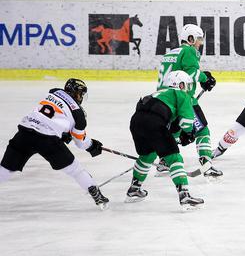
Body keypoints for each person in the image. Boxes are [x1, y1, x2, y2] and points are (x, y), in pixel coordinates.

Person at [0, 78, 108, 210]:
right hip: (47, 139)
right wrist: (92, 145)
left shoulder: (54, 91)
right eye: (81, 93)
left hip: (25, 131)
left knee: (6, 169)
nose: (81, 97)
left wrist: (63, 131)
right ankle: (96, 194)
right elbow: (81, 142)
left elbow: (51, 113)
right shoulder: (79, 114)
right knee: (75, 170)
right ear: (75, 92)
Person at [126, 70, 204, 210]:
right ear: (179, 85)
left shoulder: (159, 93)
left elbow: (170, 127)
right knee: (174, 159)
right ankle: (184, 195)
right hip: (154, 123)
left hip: (136, 121)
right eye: (185, 85)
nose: (187, 88)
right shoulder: (181, 94)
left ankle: (134, 189)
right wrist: (189, 133)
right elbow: (186, 122)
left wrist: (175, 136)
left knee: (147, 155)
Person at [156, 23, 221, 178]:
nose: (201, 43)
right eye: (199, 39)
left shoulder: (170, 53)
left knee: (176, 131)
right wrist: (206, 78)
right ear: (190, 39)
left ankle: (164, 161)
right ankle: (206, 165)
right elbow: (191, 74)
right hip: (182, 98)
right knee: (202, 130)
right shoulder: (189, 50)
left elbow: (181, 72)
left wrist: (201, 74)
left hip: (163, 99)